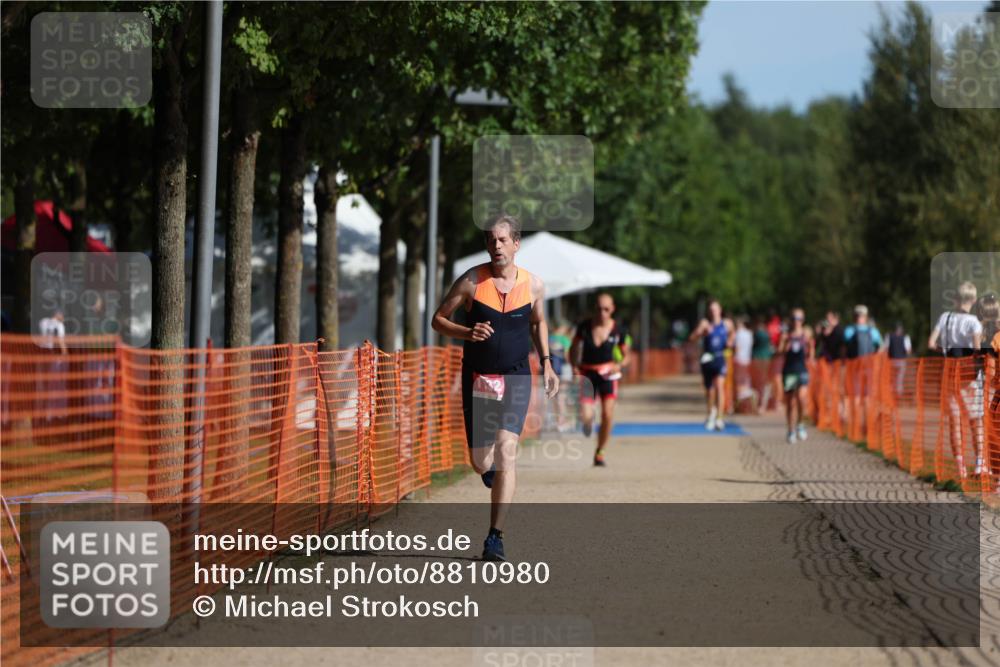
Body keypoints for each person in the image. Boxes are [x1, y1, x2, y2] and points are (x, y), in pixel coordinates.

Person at [432, 214, 559, 561]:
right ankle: (490, 474)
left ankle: (494, 537)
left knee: (507, 450)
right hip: (480, 377)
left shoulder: (533, 285)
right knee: (480, 460)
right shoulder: (472, 281)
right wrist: (466, 333)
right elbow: (438, 319)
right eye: (491, 240)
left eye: (502, 240)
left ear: (516, 244)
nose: (496, 245)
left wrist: (547, 362)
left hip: (517, 375)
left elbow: (539, 322)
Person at [928, 281, 983, 477]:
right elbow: (977, 350)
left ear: (956, 299)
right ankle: (979, 463)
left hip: (950, 373)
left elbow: (931, 342)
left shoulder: (945, 317)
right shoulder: (973, 322)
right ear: (974, 300)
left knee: (955, 420)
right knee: (975, 420)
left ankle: (960, 465)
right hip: (969, 377)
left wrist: (945, 351)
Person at [570, 294, 630, 466]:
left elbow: (627, 357)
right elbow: (573, 348)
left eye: (606, 309)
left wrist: (618, 366)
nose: (602, 312)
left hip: (608, 376)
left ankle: (600, 451)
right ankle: (588, 423)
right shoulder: (584, 327)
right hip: (587, 374)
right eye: (599, 308)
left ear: (612, 309)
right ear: (594, 308)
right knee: (587, 416)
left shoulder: (619, 330)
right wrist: (574, 366)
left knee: (607, 415)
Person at [689, 299, 733, 431]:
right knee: (710, 390)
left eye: (716, 309)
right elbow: (692, 338)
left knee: (720, 386)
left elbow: (732, 334)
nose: (714, 312)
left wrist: (730, 342)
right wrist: (701, 333)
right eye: (711, 310)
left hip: (720, 358)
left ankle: (719, 417)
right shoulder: (705, 323)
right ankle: (710, 413)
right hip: (707, 359)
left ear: (720, 310)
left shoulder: (727, 324)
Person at [843, 304, 883, 432]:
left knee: (856, 397)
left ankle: (857, 425)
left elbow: (845, 347)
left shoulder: (849, 330)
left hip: (855, 368)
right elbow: (881, 347)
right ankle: (866, 426)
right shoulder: (873, 331)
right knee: (865, 397)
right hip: (868, 368)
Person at [779, 309, 814, 443]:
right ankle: (790, 430)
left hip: (801, 370)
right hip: (789, 371)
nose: (796, 321)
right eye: (794, 318)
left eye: (799, 318)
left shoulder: (806, 334)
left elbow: (811, 351)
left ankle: (800, 424)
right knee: (790, 403)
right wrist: (784, 344)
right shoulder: (786, 335)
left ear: (803, 320)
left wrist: (810, 352)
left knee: (801, 398)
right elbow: (780, 352)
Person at [548, 322, 574, 432]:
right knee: (562, 397)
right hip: (564, 371)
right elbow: (568, 357)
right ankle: (561, 422)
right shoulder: (565, 340)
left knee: (554, 397)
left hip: (551, 372)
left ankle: (558, 420)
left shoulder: (549, 339)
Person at [732, 316, 757, 414]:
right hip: (747, 360)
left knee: (739, 383)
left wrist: (734, 356)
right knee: (746, 381)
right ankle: (747, 402)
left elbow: (737, 347)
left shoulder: (738, 334)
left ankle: (738, 406)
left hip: (739, 360)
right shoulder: (749, 333)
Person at [887, 322, 912, 398]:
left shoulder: (889, 336)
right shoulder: (905, 337)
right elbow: (908, 350)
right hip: (901, 361)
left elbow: (886, 348)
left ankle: (891, 394)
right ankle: (898, 395)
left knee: (891, 378)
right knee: (899, 379)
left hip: (891, 360)